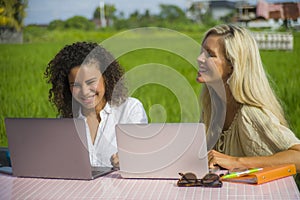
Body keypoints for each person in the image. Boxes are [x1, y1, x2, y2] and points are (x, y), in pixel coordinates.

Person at [196, 24, 300, 172]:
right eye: (201, 52)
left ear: (232, 65)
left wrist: (237, 162)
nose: (200, 59)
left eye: (210, 54)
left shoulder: (249, 114)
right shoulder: (212, 109)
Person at [45, 41, 148, 168]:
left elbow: (143, 157)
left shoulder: (130, 110)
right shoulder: (65, 121)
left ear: (106, 78)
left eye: (91, 82)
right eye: (75, 85)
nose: (84, 91)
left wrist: (131, 160)